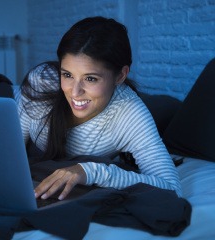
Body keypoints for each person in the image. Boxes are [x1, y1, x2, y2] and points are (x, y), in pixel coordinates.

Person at [16, 16, 182, 201]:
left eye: (90, 78)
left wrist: (93, 172)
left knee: (167, 109)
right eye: (67, 74)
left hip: (118, 107)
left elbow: (171, 187)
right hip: (16, 96)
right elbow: (10, 148)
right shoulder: (41, 82)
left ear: (120, 75)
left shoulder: (130, 114)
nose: (75, 92)